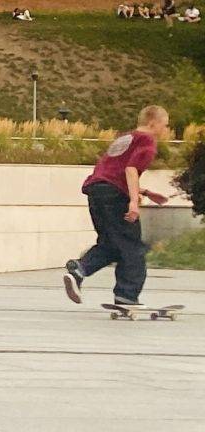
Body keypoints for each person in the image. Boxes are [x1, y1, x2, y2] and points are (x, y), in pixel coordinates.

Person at [63, 104, 174, 309]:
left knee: (111, 244)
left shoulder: (126, 138)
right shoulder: (148, 141)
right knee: (132, 247)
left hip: (97, 191)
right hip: (115, 196)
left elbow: (113, 172)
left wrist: (145, 192)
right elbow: (130, 170)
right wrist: (133, 202)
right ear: (153, 122)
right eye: (165, 125)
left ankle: (79, 269)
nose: (166, 130)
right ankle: (127, 296)